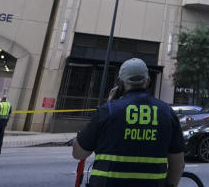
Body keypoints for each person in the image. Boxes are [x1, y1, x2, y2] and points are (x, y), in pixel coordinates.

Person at [73, 58, 184, 186]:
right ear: (147, 81)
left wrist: (108, 105)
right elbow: (178, 165)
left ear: (120, 82)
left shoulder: (107, 111)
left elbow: (78, 153)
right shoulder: (167, 113)